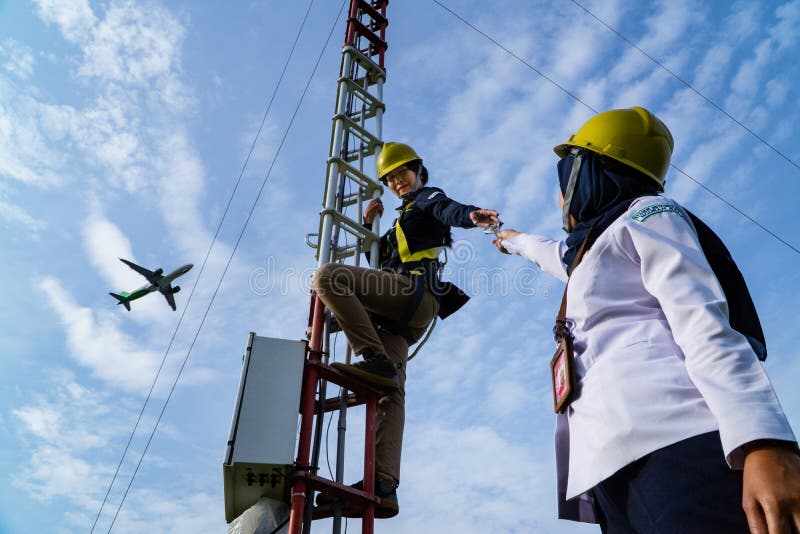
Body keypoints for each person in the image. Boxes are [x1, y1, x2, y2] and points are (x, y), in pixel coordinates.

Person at [493, 107, 800, 532]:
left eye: (564, 182)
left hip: (674, 442)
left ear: (589, 172)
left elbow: (703, 322)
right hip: (608, 467)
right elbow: (554, 254)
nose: (560, 199)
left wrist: (763, 441)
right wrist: (512, 242)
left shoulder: (648, 215)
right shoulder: (590, 255)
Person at [312, 142, 499, 518]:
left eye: (402, 174)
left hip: (413, 293)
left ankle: (373, 358)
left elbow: (447, 209)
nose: (398, 182)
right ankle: (383, 485)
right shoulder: (399, 221)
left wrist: (471, 215)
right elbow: (379, 263)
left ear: (418, 171)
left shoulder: (426, 198)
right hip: (400, 311)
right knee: (389, 394)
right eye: (391, 178)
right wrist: (368, 226)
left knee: (328, 277)